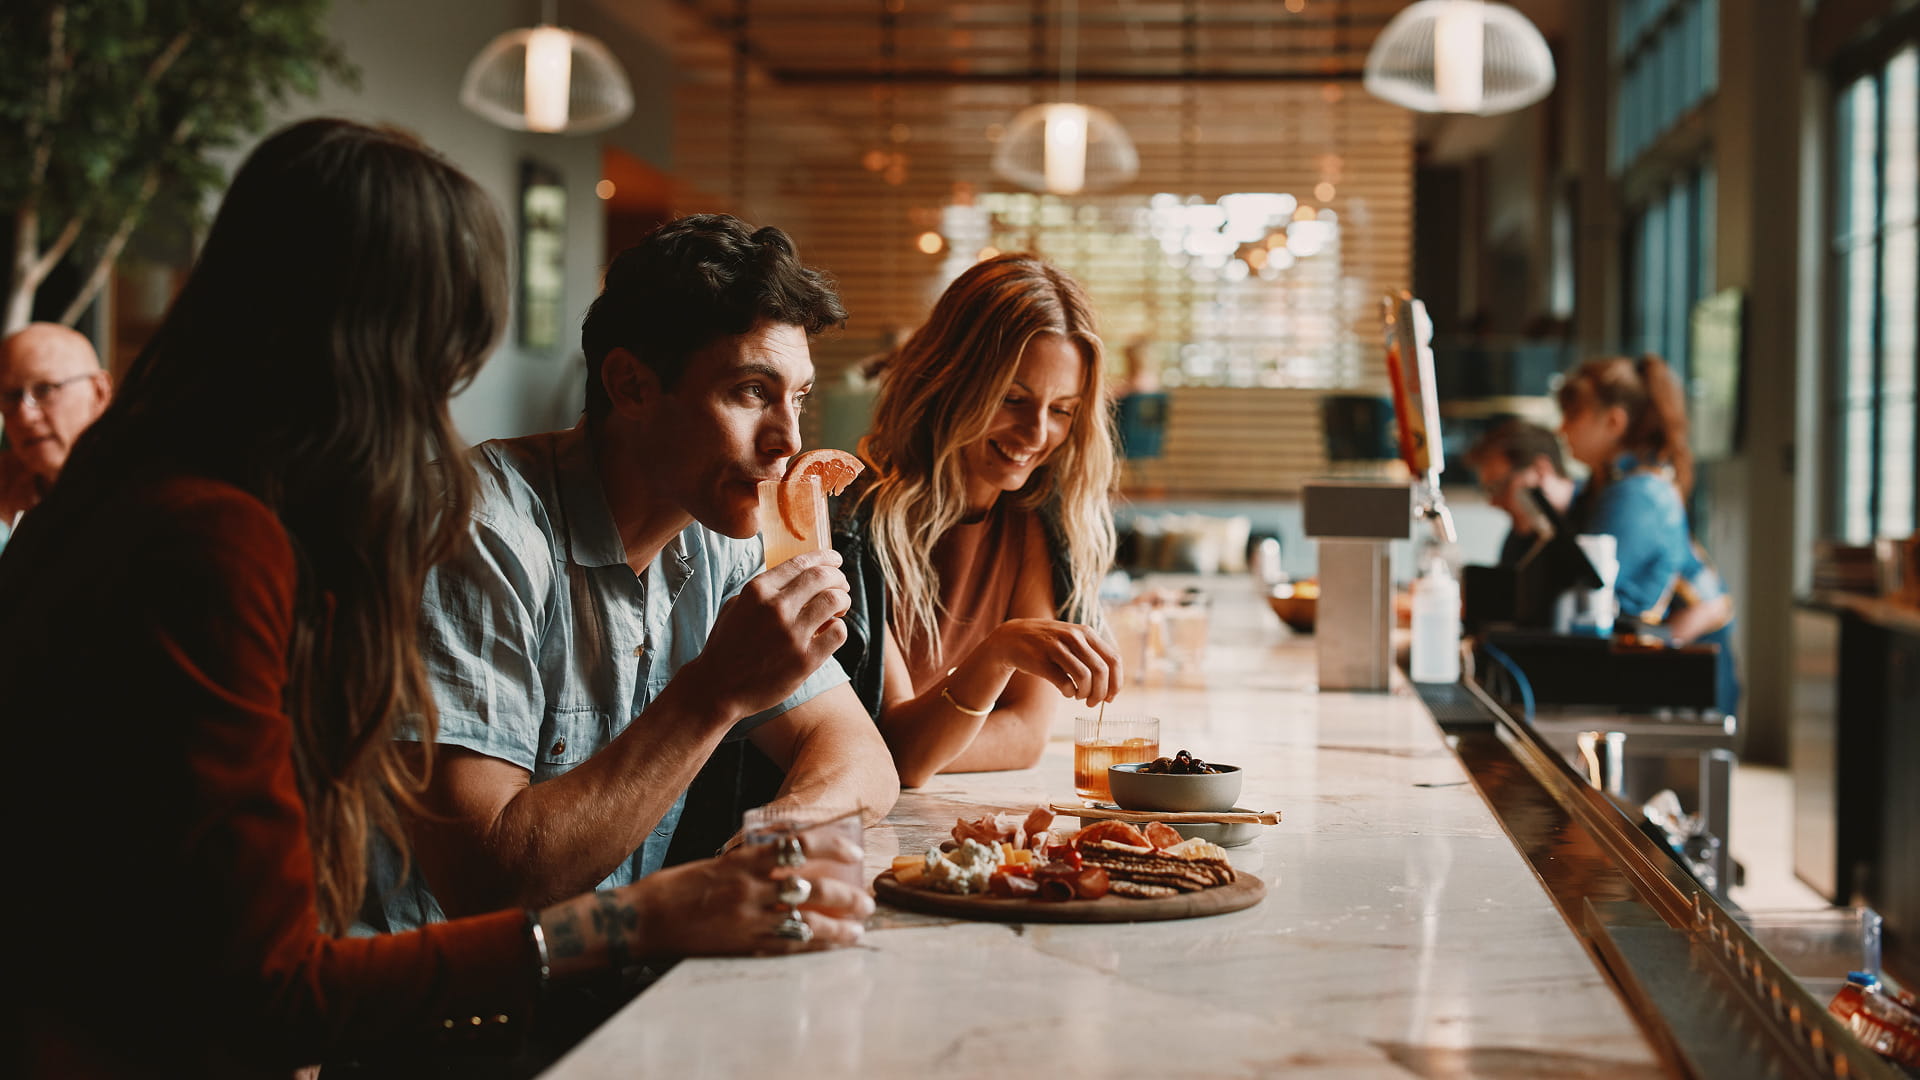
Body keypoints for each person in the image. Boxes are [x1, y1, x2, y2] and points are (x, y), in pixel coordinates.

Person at [0, 120, 871, 1077]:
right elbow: (271, 993)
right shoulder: (211, 542)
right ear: (351, 351)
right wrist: (644, 912)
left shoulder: (136, 495)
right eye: (432, 365)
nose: (433, 411)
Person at [364, 214, 899, 932]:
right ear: (632, 386)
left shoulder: (723, 532)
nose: (789, 442)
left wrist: (774, 845)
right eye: (750, 392)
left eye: (796, 397)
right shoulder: (470, 530)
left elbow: (858, 755)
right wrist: (715, 690)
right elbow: (488, 886)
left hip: (603, 984)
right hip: (441, 1012)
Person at [834, 254, 1122, 788]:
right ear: (950, 380)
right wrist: (998, 653)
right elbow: (901, 755)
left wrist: (942, 730)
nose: (1036, 433)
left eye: (1062, 409)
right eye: (1012, 399)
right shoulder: (853, 525)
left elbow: (1026, 735)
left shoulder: (1034, 518)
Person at [1556, 353, 1739, 715]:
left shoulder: (1636, 495)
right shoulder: (1611, 484)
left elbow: (1599, 599)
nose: (1562, 429)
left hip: (1685, 679)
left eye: (1572, 415)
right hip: (1676, 668)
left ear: (1614, 421)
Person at [0, 322, 111, 544]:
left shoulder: (146, 492)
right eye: (10, 396)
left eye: (45, 390)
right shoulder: (6, 481)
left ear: (99, 392)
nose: (25, 416)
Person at [1462, 418, 1577, 568]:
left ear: (1540, 470)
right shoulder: (1519, 539)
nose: (1493, 503)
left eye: (1499, 487)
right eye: (1489, 491)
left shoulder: (1597, 514)